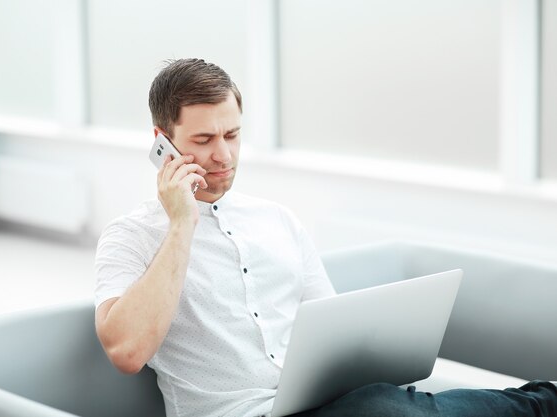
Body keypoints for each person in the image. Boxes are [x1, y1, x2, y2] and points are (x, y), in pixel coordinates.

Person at [94, 58, 557, 417]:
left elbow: (336, 338)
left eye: (233, 135)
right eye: (202, 140)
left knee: (380, 401)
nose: (222, 155)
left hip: (331, 406)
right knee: (383, 409)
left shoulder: (277, 220)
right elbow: (128, 351)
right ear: (162, 141)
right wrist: (181, 224)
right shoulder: (130, 236)